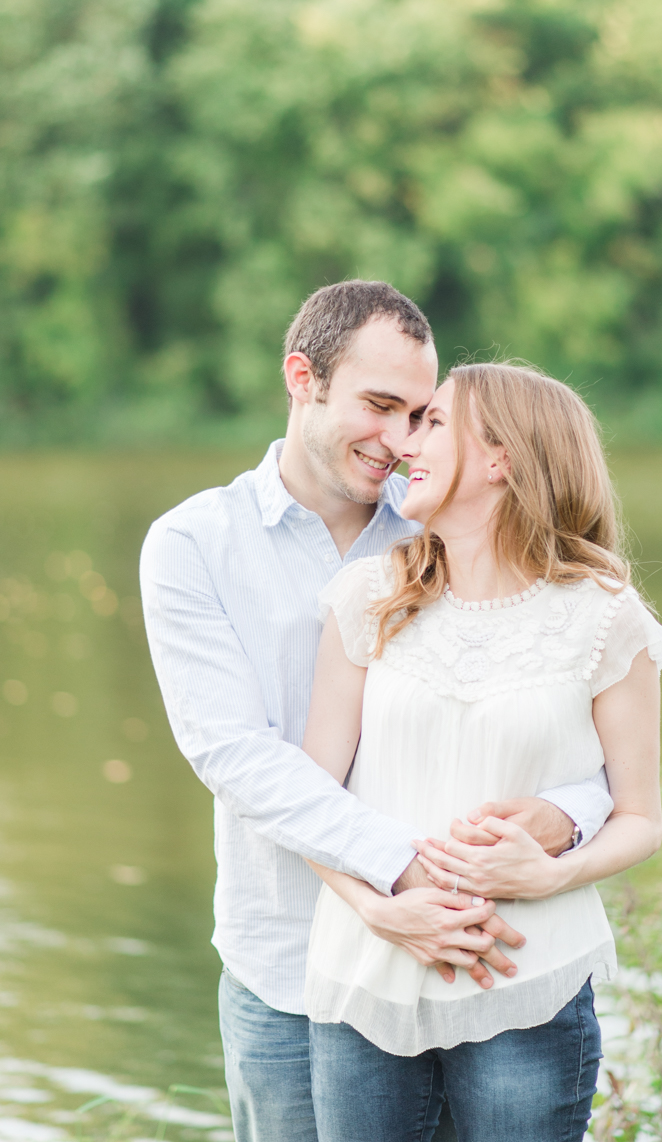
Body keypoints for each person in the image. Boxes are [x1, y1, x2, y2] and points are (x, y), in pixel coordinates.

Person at [140, 282, 614, 1142]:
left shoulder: (445, 522)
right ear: (302, 378)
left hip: (472, 954)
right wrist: (393, 883)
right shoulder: (193, 545)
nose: (399, 441)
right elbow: (235, 754)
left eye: (419, 415)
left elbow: (575, 705)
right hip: (286, 962)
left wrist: (563, 817)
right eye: (379, 406)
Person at [301, 363, 662, 1142]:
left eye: (432, 422)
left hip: (524, 987)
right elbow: (310, 801)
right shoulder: (368, 596)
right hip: (365, 977)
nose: (405, 443)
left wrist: (554, 870)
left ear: (500, 458)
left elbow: (640, 817)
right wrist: (382, 910)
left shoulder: (604, 616)